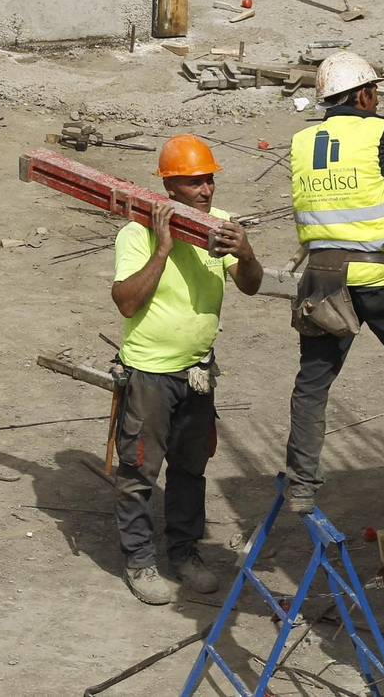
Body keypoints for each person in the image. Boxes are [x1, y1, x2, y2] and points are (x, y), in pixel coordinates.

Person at [285, 51, 384, 512]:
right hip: (377, 278)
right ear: (362, 94)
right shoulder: (379, 133)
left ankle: (302, 483)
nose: (377, 101)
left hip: (321, 281)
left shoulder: (301, 142)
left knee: (313, 382)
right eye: (374, 92)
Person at [111, 134, 264, 605]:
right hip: (150, 375)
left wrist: (246, 253)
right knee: (139, 472)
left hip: (198, 373)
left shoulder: (220, 228)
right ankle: (139, 562)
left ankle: (184, 552)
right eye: (195, 182)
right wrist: (163, 248)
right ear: (170, 187)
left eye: (210, 179)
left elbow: (252, 287)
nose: (206, 190)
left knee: (189, 469)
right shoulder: (138, 231)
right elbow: (126, 302)